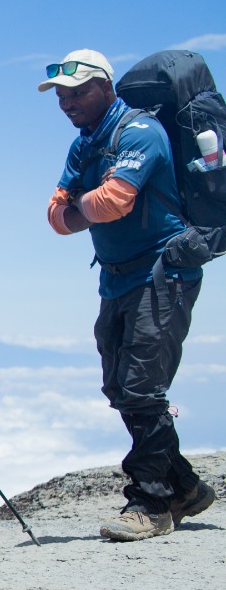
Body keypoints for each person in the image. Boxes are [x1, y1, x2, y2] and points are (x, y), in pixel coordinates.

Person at [40, 49, 213, 540]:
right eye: (61, 96)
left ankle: (150, 505)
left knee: (141, 388)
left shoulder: (139, 132)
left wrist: (79, 208)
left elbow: (114, 201)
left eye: (77, 93)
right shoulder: (85, 145)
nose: (67, 104)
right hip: (117, 277)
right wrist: (79, 210)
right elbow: (56, 216)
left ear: (106, 88)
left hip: (162, 273)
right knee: (120, 389)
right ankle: (186, 488)